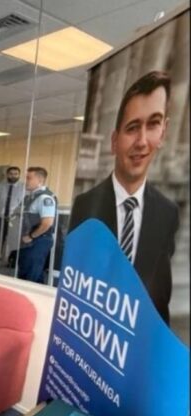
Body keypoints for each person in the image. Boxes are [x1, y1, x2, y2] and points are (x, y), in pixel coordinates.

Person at [69, 70, 178, 323]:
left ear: (163, 132)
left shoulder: (168, 213)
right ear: (114, 141)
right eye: (132, 128)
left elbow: (159, 297)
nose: (141, 141)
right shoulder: (85, 206)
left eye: (153, 124)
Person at [17, 167, 57, 284]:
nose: (26, 181)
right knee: (26, 272)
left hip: (38, 240)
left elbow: (47, 223)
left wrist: (31, 236)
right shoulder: (31, 197)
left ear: (40, 180)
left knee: (32, 276)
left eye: (29, 178)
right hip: (28, 240)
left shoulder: (45, 198)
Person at [0, 166, 25, 266]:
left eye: (16, 174)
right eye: (11, 174)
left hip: (15, 218)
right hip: (0, 218)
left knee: (14, 241)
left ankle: (12, 261)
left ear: (19, 175)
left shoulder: (24, 188)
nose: (13, 176)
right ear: (7, 174)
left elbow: (26, 204)